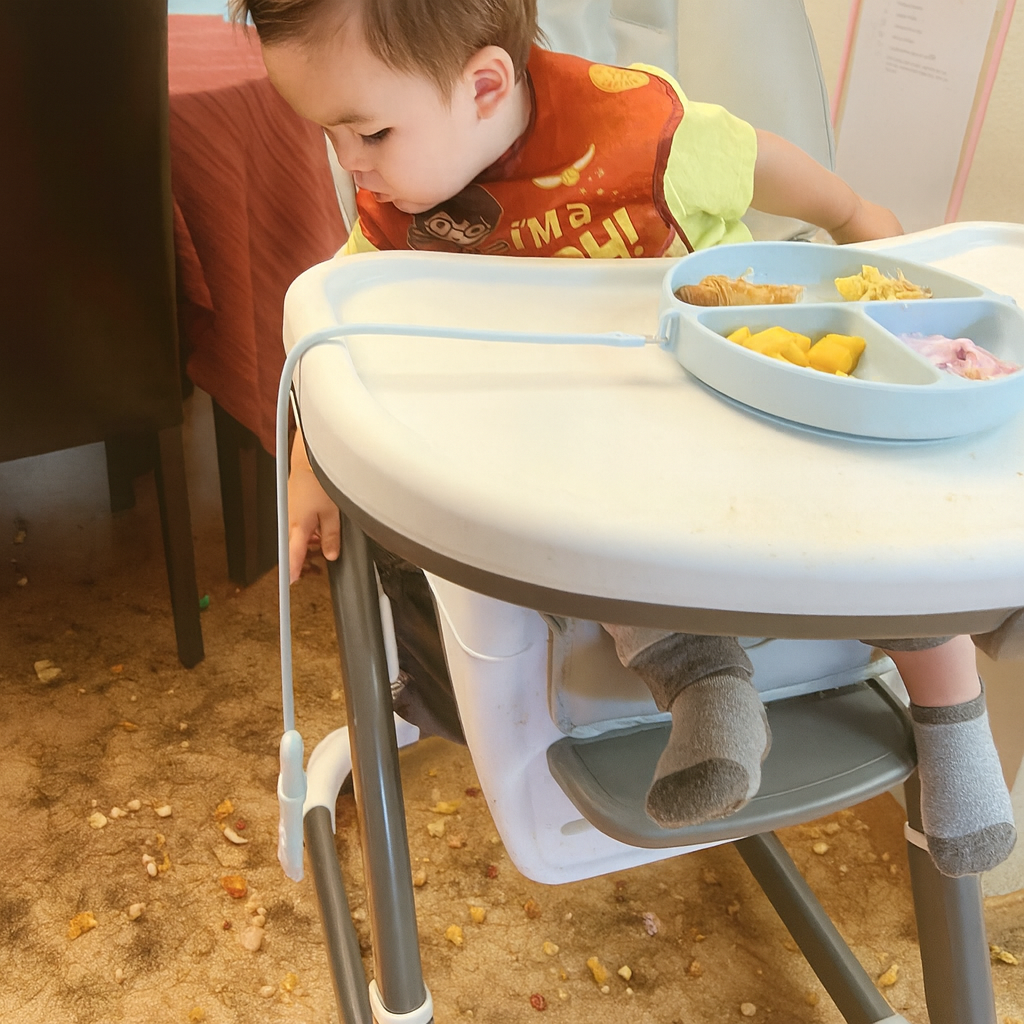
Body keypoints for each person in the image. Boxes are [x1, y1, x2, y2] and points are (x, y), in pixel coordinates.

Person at [229, 0, 1016, 877]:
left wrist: (855, 214)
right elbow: (345, 333)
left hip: (735, 409)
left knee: (881, 514)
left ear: (485, 84)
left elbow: (757, 162)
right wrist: (309, 454)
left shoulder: (642, 128)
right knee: (588, 539)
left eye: (369, 132)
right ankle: (708, 693)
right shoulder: (399, 215)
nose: (350, 168)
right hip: (608, 461)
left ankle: (956, 723)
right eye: (331, 136)